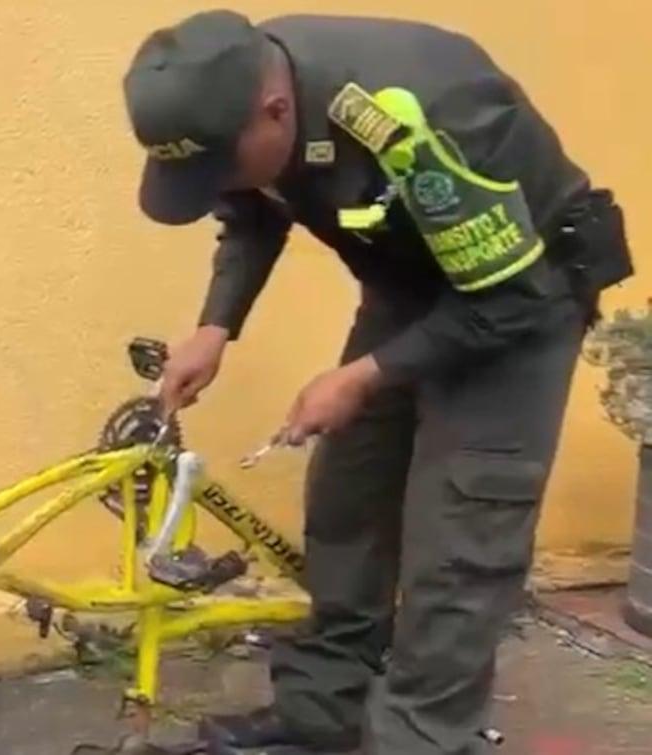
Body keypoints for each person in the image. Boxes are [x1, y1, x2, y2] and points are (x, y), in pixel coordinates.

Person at [121, 10, 633, 755]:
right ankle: (323, 712)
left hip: (522, 297)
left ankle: (420, 736)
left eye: (220, 168)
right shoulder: (237, 87)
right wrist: (216, 325)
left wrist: (366, 374)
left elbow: (506, 300)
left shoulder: (410, 117)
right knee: (347, 496)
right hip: (411, 287)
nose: (218, 184)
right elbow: (252, 210)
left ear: (276, 111)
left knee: (459, 540)